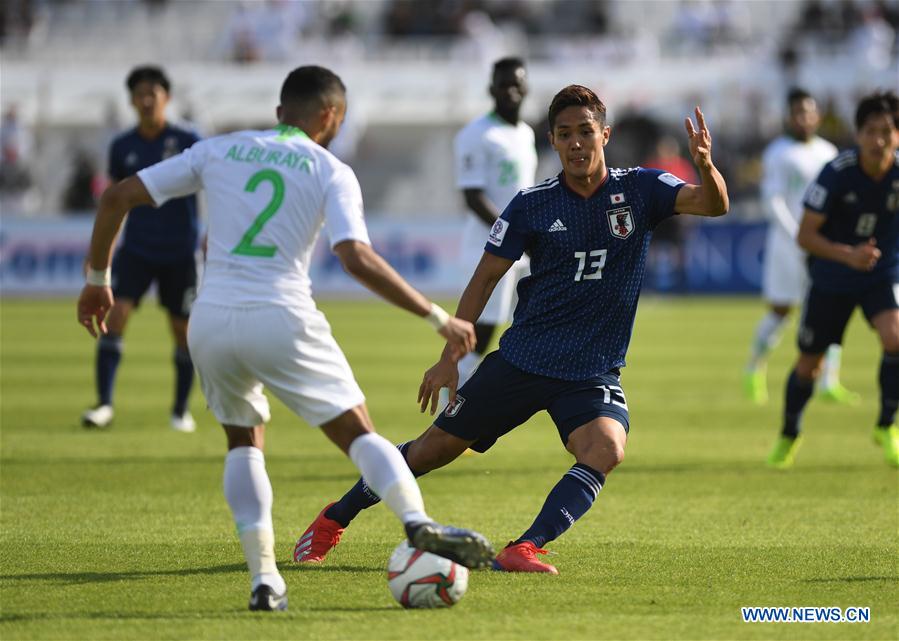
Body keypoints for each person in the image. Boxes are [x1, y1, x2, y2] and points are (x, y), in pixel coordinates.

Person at [76, 65, 495, 611]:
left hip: (212, 318)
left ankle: (265, 580)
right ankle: (417, 524)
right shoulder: (330, 169)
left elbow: (116, 199)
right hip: (281, 315)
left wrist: (96, 282)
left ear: (279, 113)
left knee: (243, 443)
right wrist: (438, 317)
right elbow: (355, 258)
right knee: (360, 435)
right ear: (332, 117)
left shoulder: (218, 149)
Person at [293, 84, 728, 575]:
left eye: (586, 131)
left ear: (605, 135)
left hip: (591, 370)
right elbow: (484, 279)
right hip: (523, 360)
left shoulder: (643, 189)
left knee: (606, 448)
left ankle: (525, 547)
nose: (576, 143)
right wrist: (450, 356)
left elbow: (713, 205)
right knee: (431, 450)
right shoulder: (533, 204)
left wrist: (707, 165)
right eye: (565, 134)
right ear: (553, 141)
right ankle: (335, 517)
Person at [766, 91, 899, 469]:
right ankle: (789, 433)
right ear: (858, 135)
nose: (879, 140)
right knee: (809, 365)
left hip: (880, 272)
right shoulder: (838, 172)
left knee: (896, 338)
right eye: (871, 131)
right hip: (833, 276)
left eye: (887, 131)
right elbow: (805, 236)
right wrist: (848, 255)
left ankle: (887, 425)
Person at [80, 66, 201, 432]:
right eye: (139, 94)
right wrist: (100, 254)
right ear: (131, 100)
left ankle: (180, 411)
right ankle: (104, 405)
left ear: (167, 97)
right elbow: (114, 203)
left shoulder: (189, 139)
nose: (147, 100)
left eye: (154, 93)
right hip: (137, 249)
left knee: (183, 332)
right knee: (114, 318)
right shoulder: (122, 146)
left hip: (180, 250)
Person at [744, 88, 858, 406]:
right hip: (787, 246)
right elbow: (773, 200)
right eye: (797, 113)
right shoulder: (778, 153)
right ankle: (754, 367)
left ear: (817, 116)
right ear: (789, 117)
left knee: (830, 309)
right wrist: (797, 236)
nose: (803, 118)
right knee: (781, 312)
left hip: (823, 245)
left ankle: (828, 380)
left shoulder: (828, 152)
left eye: (808, 112)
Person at [450, 56, 538, 398]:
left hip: (520, 247)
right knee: (480, 330)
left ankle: (476, 400)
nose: (511, 90)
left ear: (527, 86)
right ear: (491, 89)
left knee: (514, 327)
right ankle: (451, 399)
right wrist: (512, 233)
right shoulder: (476, 135)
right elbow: (472, 197)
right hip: (487, 246)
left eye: (517, 83)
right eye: (503, 84)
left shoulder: (525, 133)